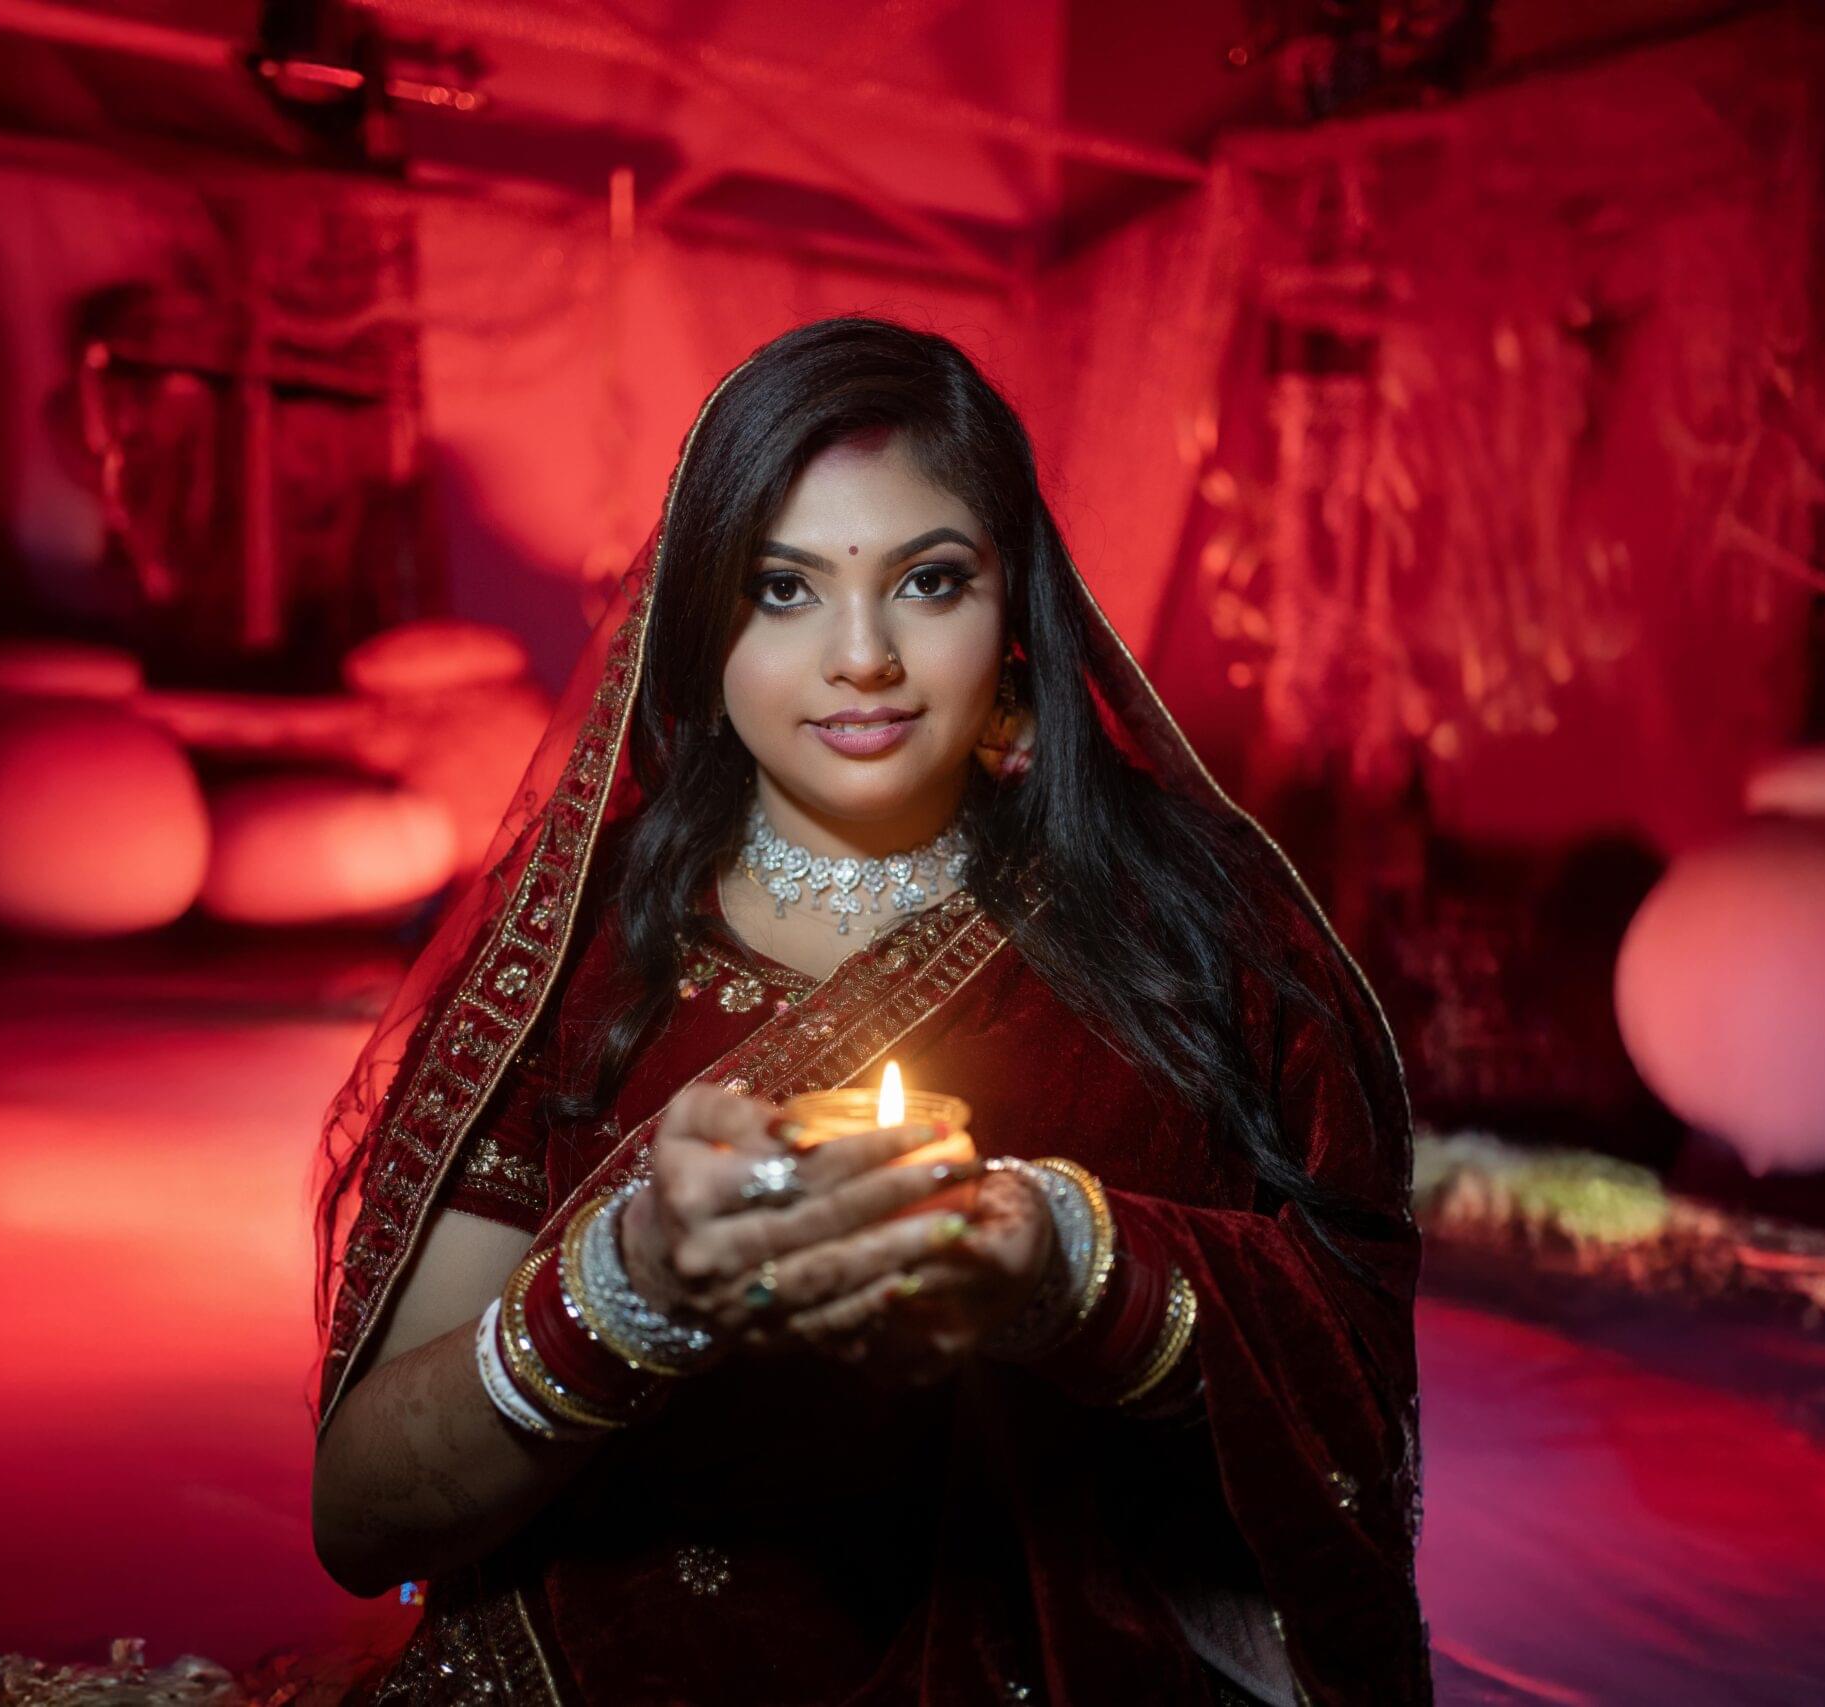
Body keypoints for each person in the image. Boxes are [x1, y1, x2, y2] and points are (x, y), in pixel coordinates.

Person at [307, 317, 1429, 1705]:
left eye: (930, 581)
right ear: (698, 623)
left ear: (1017, 614)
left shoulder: (1191, 940)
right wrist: (630, 1289)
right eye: (784, 589)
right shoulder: (583, 957)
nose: (862, 658)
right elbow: (364, 1518)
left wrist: (1060, 1266)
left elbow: (1355, 1394)